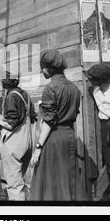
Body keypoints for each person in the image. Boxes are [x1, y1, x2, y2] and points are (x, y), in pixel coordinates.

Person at [29, 49, 81, 201]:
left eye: (42, 67)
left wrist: (38, 148)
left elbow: (49, 121)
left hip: (54, 137)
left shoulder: (51, 87)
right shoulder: (74, 88)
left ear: (48, 68)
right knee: (67, 177)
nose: (42, 71)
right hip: (70, 136)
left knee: (51, 180)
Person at [0, 71, 37, 201]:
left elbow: (11, 123)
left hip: (14, 142)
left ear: (4, 83)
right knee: (19, 179)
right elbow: (33, 117)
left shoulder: (11, 96)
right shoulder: (25, 94)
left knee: (14, 184)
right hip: (27, 141)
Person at [86, 63, 110, 200]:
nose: (90, 80)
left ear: (100, 79)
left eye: (92, 78)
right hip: (105, 127)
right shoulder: (95, 92)